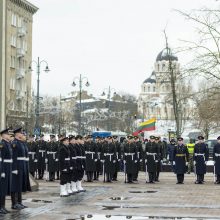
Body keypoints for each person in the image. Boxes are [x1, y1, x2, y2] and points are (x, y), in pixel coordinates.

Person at [11, 127, 31, 210]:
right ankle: (14, 203)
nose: (22, 134)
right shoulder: (15, 143)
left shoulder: (21, 143)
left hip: (22, 165)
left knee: (19, 184)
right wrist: (14, 168)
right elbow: (14, 157)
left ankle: (19, 202)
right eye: (21, 133)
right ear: (17, 134)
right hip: (17, 166)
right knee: (15, 185)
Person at [0, 128, 13, 214]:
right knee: (2, 189)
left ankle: (3, 206)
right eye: (8, 134)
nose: (9, 135)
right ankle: (1, 207)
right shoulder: (2, 144)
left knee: (5, 189)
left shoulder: (8, 144)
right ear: (4, 135)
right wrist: (2, 171)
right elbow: (1, 159)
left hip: (8, 168)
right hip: (4, 168)